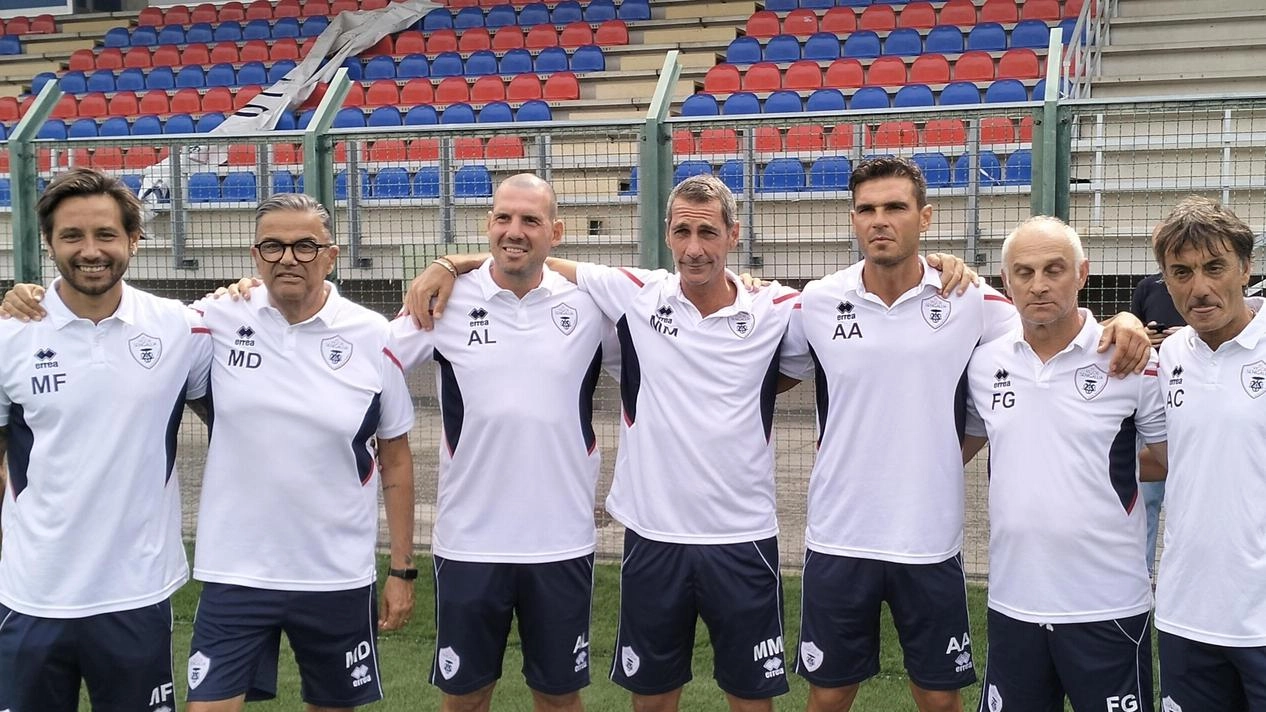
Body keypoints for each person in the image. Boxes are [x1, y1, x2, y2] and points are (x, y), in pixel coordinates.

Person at [406, 173, 978, 712]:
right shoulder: (637, 294)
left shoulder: (779, 307)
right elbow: (526, 254)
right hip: (653, 535)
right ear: (668, 236)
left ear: (733, 235)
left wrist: (940, 265)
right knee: (652, 698)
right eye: (682, 231)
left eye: (709, 231)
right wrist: (450, 263)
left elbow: (840, 345)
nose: (695, 246)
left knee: (752, 698)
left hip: (744, 537)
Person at [3, 193, 420, 711]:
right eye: (273, 246)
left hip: (333, 571)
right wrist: (19, 298)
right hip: (228, 570)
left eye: (305, 246)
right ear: (254, 254)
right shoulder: (212, 320)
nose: (288, 257)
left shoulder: (368, 334)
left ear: (331, 254)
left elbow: (397, 454)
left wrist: (401, 569)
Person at [778, 157, 1152, 712]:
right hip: (838, 534)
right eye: (867, 210)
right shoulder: (815, 300)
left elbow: (1055, 319)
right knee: (829, 693)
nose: (880, 221)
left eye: (896, 208)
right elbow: (761, 362)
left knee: (939, 696)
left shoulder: (971, 298)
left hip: (931, 537)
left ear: (925, 218)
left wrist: (1126, 321)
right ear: (853, 220)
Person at [392, 174, 619, 712]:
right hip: (470, 541)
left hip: (560, 542)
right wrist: (451, 265)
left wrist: (742, 283)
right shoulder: (444, 301)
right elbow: (367, 355)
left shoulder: (590, 306)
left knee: (560, 697)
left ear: (556, 232)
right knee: (466, 699)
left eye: (530, 221)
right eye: (503, 218)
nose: (514, 231)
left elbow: (667, 325)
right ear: (487, 225)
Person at [0, 168, 212, 712]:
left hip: (135, 592)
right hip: (32, 592)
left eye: (106, 235)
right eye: (72, 236)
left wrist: (455, 264)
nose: (90, 251)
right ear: (48, 242)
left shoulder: (179, 329)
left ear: (134, 240)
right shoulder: (9, 336)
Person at [961, 216, 1167, 712]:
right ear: (1005, 282)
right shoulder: (985, 364)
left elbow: (1162, 459)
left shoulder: (1130, 359)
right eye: (1024, 272)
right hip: (1014, 599)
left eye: (1054, 270)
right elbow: (964, 445)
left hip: (1109, 601)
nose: (1039, 285)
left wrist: (1088, 475)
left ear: (1082, 274)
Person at [1150, 196, 1266, 712]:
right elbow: (1165, 457)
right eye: (1181, 272)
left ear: (1246, 269)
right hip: (1186, 613)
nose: (1199, 288)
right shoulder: (1170, 355)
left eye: (1214, 267)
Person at [1130, 269, 1186, 576]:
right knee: (1148, 497)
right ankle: (1143, 575)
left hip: (1191, 388)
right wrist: (1144, 334)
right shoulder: (1148, 286)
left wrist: (1187, 334)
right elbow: (1132, 328)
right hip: (1154, 393)